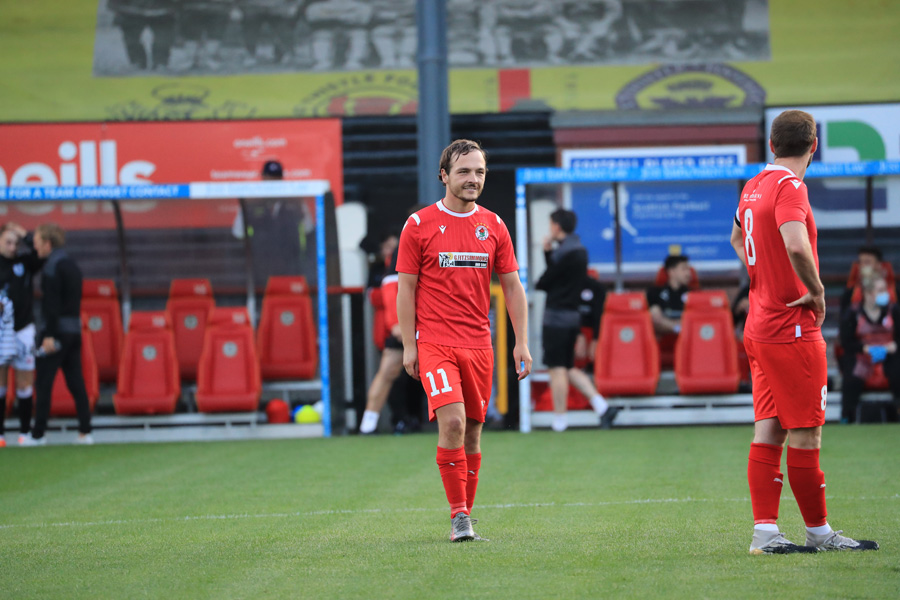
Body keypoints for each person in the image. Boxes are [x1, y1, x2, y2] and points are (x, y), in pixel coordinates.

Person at [731, 109, 877, 553]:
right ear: (814, 146)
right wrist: (816, 292)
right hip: (790, 328)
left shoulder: (754, 185)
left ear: (772, 145)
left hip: (759, 324)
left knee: (770, 430)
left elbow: (738, 241)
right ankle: (819, 532)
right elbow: (795, 243)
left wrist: (764, 279)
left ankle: (765, 534)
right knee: (807, 432)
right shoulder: (791, 187)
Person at [396, 139, 532, 542]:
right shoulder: (418, 225)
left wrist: (520, 341)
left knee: (472, 432)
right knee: (451, 422)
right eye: (464, 172)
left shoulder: (494, 225)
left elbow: (512, 286)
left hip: (479, 344)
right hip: (435, 342)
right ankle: (459, 517)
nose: (473, 179)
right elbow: (405, 289)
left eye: (479, 172)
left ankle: (467, 515)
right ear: (444, 176)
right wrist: (410, 345)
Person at [536, 209, 614, 432]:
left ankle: (559, 421)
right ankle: (602, 407)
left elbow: (544, 281)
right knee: (568, 367)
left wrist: (546, 254)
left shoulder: (565, 253)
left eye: (551, 225)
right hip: (572, 317)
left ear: (557, 227)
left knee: (557, 368)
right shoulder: (579, 251)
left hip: (556, 318)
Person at [20, 224, 93, 446]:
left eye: (37, 243)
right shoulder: (72, 265)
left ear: (48, 244)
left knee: (43, 382)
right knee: (76, 382)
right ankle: (85, 431)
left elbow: (51, 306)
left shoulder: (52, 267)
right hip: (74, 330)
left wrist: (49, 336)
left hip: (56, 332)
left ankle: (38, 434)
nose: (35, 247)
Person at [0, 223, 43, 447]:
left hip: (24, 328)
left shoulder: (24, 262)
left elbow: (41, 254)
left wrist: (25, 235)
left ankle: (25, 433)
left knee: (25, 382)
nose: (12, 246)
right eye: (7, 242)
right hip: (0, 329)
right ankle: (0, 435)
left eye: (15, 243)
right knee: (0, 381)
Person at [838, 273, 900, 423]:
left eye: (885, 289)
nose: (885, 294)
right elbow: (846, 342)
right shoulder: (852, 313)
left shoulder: (894, 311)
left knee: (898, 373)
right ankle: (847, 418)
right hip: (863, 358)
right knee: (851, 379)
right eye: (880, 290)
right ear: (867, 293)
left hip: (888, 357)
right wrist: (864, 348)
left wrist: (894, 345)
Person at [359, 230, 403, 434]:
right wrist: (395, 324)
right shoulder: (404, 246)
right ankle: (368, 422)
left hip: (432, 323)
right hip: (407, 324)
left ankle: (467, 420)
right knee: (388, 370)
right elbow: (389, 287)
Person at [108, 0, 177, 71]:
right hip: (130, 9)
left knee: (162, 38)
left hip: (162, 8)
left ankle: (160, 62)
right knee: (132, 38)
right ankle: (137, 61)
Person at [647, 254, 693, 336]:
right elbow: (656, 319)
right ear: (671, 271)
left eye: (688, 269)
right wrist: (677, 327)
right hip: (663, 339)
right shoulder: (655, 292)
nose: (688, 273)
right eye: (684, 269)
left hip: (691, 338)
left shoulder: (693, 293)